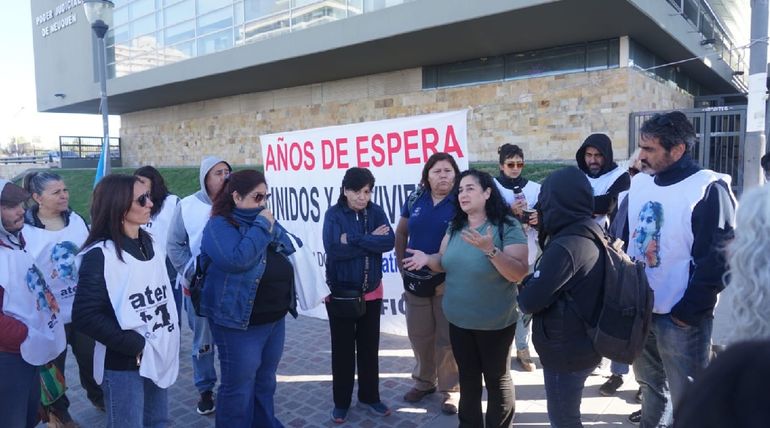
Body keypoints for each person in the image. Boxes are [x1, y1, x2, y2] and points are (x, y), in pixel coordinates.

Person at [624, 111, 736, 427]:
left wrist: (687, 313)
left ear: (677, 150)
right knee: (649, 388)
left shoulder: (707, 188)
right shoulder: (640, 183)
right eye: (640, 147)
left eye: (649, 149)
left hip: (681, 319)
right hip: (641, 310)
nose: (640, 155)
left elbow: (718, 259)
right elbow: (625, 237)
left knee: (689, 397)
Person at [403, 169, 529, 428]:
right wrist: (428, 260)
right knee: (469, 379)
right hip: (459, 321)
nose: (462, 194)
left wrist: (491, 250)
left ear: (487, 193)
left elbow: (518, 272)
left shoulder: (507, 225)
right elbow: (444, 262)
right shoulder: (455, 225)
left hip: (494, 322)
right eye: (460, 189)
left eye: (470, 188)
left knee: (497, 380)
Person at [72, 174, 179, 428]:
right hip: (125, 362)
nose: (150, 204)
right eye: (141, 200)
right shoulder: (100, 255)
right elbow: (85, 315)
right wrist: (136, 345)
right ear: (119, 205)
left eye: (149, 197)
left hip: (157, 350)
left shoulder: (150, 242)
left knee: (158, 422)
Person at [199, 170, 297, 428]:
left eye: (266, 197)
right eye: (257, 197)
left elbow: (288, 245)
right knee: (238, 388)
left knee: (265, 382)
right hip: (239, 324)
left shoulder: (260, 220)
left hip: (274, 319)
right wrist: (263, 226)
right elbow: (237, 259)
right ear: (236, 196)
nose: (263, 203)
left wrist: (266, 226)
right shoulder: (219, 225)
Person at [517, 166, 605, 428]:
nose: (541, 208)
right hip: (583, 343)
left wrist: (526, 283)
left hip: (566, 351)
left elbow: (529, 301)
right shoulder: (589, 229)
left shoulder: (567, 245)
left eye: (545, 200)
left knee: (564, 419)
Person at [21, 172, 103, 425]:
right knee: (52, 368)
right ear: (37, 197)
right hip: (48, 316)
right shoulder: (24, 229)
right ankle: (60, 412)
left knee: (92, 360)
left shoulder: (76, 220)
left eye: (65, 190)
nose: (64, 195)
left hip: (82, 309)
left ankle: (98, 396)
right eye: (56, 192)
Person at [323, 167, 395, 424]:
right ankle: (341, 403)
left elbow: (388, 242)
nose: (362, 197)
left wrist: (351, 240)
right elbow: (333, 249)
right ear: (345, 191)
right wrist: (367, 239)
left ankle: (370, 396)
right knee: (342, 352)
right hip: (342, 294)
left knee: (368, 349)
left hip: (372, 291)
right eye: (356, 191)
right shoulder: (333, 215)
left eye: (367, 191)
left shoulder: (375, 212)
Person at [394, 153, 460, 414]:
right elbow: (401, 232)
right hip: (416, 282)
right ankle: (424, 381)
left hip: (450, 280)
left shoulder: (461, 200)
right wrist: (402, 265)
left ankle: (451, 390)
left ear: (455, 174)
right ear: (427, 176)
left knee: (447, 339)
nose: (443, 175)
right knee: (419, 335)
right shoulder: (415, 199)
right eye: (437, 171)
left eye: (448, 170)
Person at [167, 156, 231, 415]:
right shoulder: (187, 205)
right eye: (218, 172)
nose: (225, 177)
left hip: (230, 289)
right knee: (203, 343)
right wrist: (192, 273)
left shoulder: (237, 202)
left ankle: (231, 387)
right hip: (198, 291)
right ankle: (205, 389)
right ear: (205, 178)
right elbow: (174, 245)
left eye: (228, 171)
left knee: (231, 341)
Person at [1, 180, 66, 428]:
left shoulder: (14, 241)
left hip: (27, 353)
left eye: (19, 204)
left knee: (29, 417)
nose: (20, 211)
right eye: (9, 207)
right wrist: (27, 335)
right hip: (9, 358)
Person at [493, 143, 541, 372]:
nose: (515, 168)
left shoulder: (534, 188)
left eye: (519, 164)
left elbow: (546, 216)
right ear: (501, 165)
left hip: (529, 255)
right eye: (510, 164)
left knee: (526, 304)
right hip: (500, 256)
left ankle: (523, 347)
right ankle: (500, 350)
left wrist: (537, 219)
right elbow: (485, 218)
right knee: (503, 304)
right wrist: (509, 212)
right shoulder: (491, 187)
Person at [600, 150, 643, 398]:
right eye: (633, 172)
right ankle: (617, 375)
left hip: (653, 276)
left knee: (647, 335)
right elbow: (616, 230)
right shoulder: (626, 195)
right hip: (626, 272)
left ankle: (644, 386)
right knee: (622, 324)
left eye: (640, 172)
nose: (636, 177)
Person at [134, 166, 182, 320]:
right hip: (142, 269)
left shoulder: (172, 203)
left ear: (154, 182)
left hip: (169, 269)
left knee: (172, 317)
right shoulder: (134, 203)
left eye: (142, 181)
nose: (138, 185)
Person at [576, 133, 631, 228]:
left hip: (606, 236)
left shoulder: (620, 176)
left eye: (598, 155)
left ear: (606, 156)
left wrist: (575, 204)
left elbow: (609, 204)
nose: (593, 160)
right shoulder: (578, 174)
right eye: (589, 155)